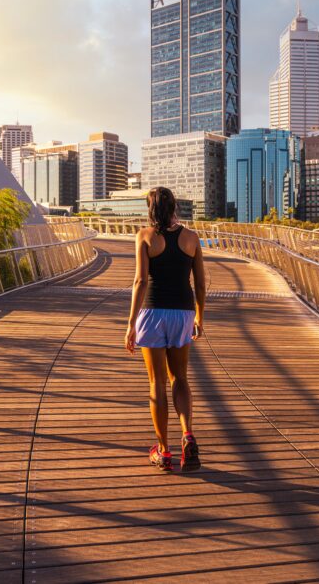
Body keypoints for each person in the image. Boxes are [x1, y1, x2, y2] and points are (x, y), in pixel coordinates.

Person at [125, 187, 205, 472]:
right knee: (180, 378)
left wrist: (131, 324)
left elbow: (140, 282)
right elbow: (201, 283)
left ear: (150, 208)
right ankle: (187, 434)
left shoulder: (145, 237)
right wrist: (199, 317)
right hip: (183, 312)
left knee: (156, 382)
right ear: (175, 206)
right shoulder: (191, 238)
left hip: (153, 312)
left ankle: (164, 451)